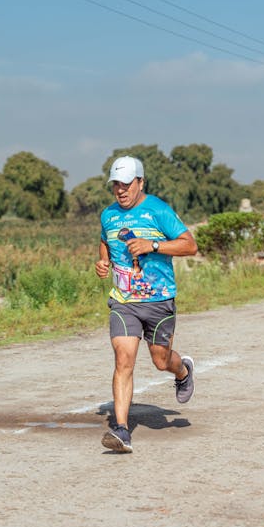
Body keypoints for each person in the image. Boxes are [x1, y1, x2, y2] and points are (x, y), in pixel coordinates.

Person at [94, 155, 199, 453]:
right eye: (116, 185)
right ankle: (122, 430)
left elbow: (190, 244)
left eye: (126, 184)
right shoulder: (109, 215)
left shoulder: (158, 210)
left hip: (158, 300)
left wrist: (152, 245)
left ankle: (182, 371)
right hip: (124, 301)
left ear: (140, 182)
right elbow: (105, 241)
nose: (121, 191)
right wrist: (103, 262)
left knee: (160, 360)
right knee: (123, 360)